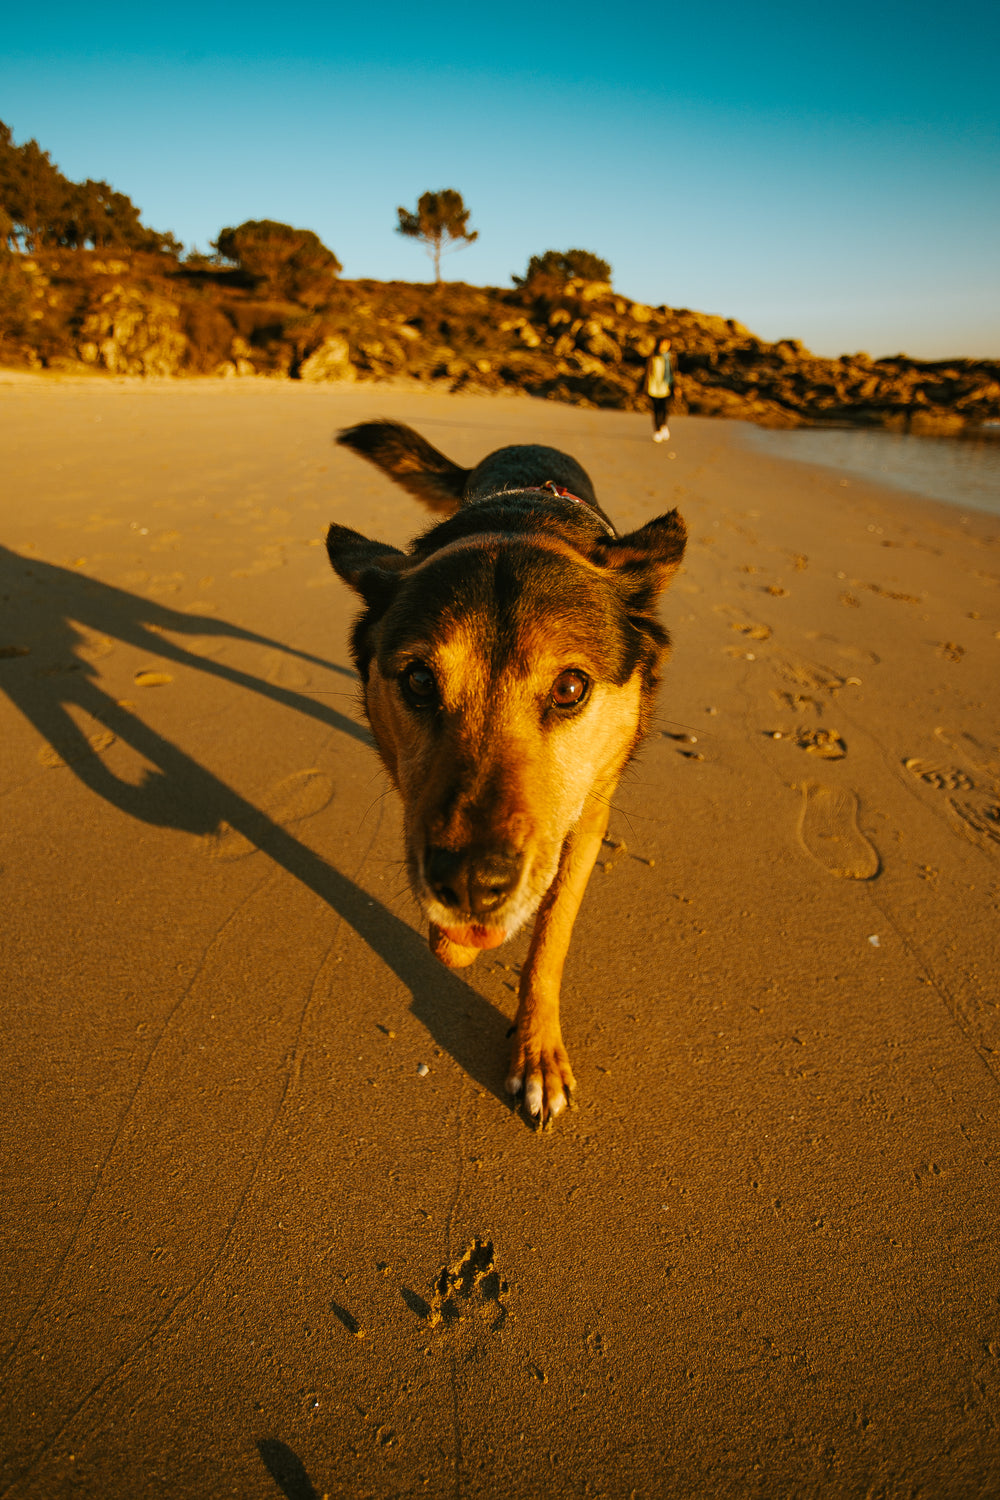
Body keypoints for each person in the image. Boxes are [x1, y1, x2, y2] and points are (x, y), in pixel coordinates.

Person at [644, 336, 674, 443]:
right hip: (653, 388)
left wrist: (676, 387)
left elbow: (674, 373)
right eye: (663, 343)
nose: (665, 346)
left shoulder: (671, 358)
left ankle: (663, 425)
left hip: (666, 387)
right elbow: (647, 373)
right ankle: (657, 431)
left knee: (665, 408)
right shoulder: (652, 357)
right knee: (656, 410)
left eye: (667, 344)